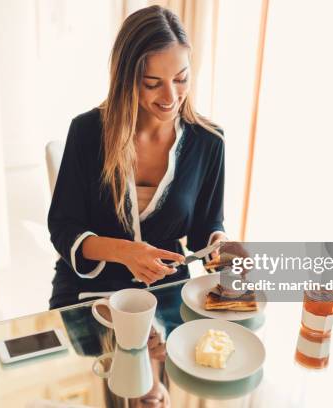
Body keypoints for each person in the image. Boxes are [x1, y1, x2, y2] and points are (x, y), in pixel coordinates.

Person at [48, 5, 227, 309]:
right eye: (153, 83)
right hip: (88, 289)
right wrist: (125, 252)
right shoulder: (87, 132)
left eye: (181, 79)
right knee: (96, 356)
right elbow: (64, 228)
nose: (171, 97)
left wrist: (220, 245)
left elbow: (205, 227)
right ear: (126, 79)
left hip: (166, 288)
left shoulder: (208, 141)